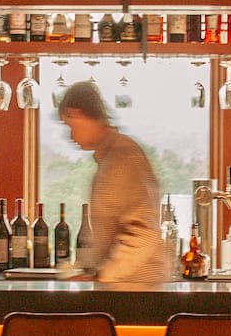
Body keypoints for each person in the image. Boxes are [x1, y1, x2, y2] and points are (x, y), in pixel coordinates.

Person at [57, 81, 174, 287]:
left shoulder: (123, 158)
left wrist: (103, 274)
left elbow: (144, 233)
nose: (70, 135)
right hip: (124, 288)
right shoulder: (112, 156)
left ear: (77, 114)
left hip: (135, 290)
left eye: (69, 125)